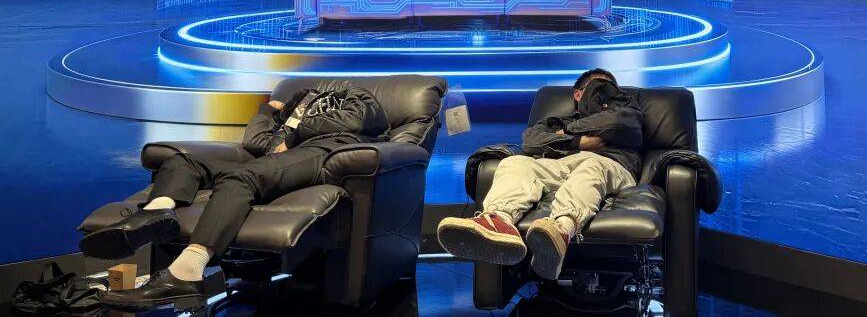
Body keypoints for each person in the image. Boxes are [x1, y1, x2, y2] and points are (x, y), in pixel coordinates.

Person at [84, 86, 390, 309]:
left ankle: (187, 272)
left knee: (241, 178)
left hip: (324, 152)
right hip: (275, 160)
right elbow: (256, 143)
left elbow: (361, 120)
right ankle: (156, 211)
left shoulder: (354, 96)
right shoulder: (289, 118)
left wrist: (297, 131)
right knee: (182, 161)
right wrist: (268, 112)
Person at [437, 68, 643, 280]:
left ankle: (560, 231)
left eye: (609, 88)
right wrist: (578, 141)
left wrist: (565, 133)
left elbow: (618, 121)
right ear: (578, 94)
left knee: (591, 166)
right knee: (515, 162)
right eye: (596, 87)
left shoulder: (627, 110)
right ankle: (498, 223)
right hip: (561, 165)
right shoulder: (557, 121)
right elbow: (531, 141)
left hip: (611, 165)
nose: (604, 93)